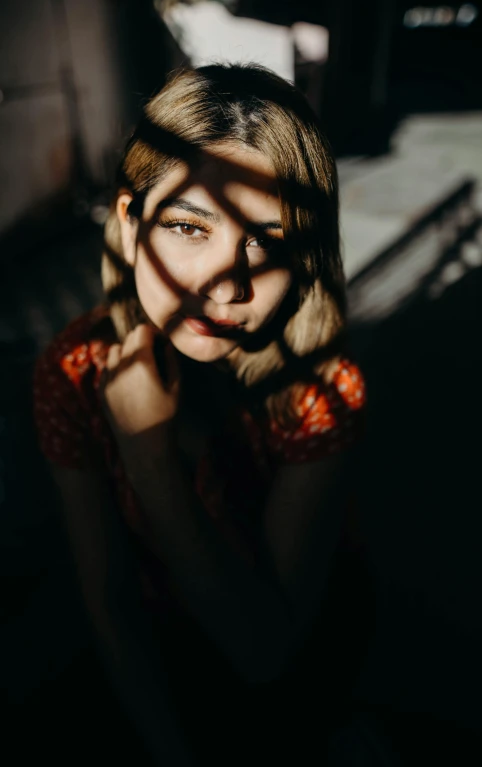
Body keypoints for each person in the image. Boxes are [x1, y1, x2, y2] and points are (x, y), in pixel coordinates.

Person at [33, 63, 370, 765]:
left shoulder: (322, 388)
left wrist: (148, 454)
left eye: (268, 242)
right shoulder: (73, 371)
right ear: (129, 227)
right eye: (190, 226)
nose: (226, 283)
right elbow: (109, 604)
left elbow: (265, 652)